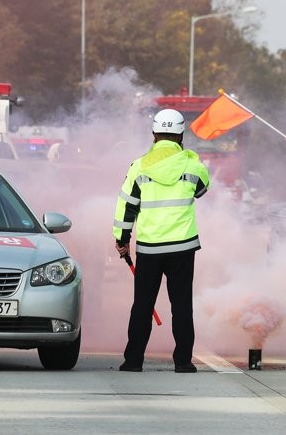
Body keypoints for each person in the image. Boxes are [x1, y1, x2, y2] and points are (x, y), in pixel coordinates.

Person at [113, 108, 210, 373]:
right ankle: (183, 362)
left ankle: (133, 361)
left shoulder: (139, 166)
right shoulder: (192, 164)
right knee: (181, 305)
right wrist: (188, 158)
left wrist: (122, 239)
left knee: (143, 305)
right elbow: (202, 189)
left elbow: (126, 206)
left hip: (149, 247)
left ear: (154, 134)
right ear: (181, 135)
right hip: (182, 246)